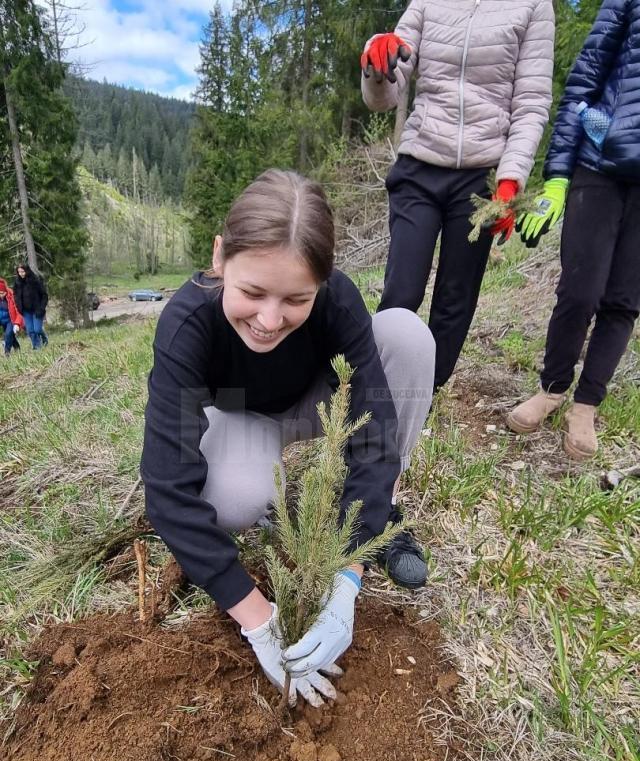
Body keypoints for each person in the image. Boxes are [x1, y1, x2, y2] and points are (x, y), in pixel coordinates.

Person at [141, 170, 436, 706]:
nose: (269, 320)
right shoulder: (188, 323)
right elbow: (167, 488)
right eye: (252, 292)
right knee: (232, 499)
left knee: (407, 337)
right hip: (243, 415)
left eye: (296, 299)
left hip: (320, 404)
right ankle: (271, 500)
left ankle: (381, 514)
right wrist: (257, 618)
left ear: (322, 283)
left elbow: (373, 430)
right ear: (219, 258)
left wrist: (347, 575)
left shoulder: (338, 302)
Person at [360, 0, 554, 391]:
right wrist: (375, 67)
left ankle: (422, 395)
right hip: (420, 163)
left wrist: (510, 180)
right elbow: (384, 99)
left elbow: (531, 103)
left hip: (481, 178)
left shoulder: (534, 6)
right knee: (402, 292)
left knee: (454, 299)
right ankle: (372, 391)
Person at [508, 0, 640, 460]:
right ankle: (553, 387)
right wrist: (558, 175)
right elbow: (584, 79)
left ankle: (585, 405)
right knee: (580, 289)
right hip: (600, 161)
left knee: (624, 298)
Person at [13, 263, 48, 350]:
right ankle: (37, 347)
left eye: (23, 271)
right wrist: (18, 306)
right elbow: (16, 296)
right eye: (19, 272)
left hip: (37, 309)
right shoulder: (17, 283)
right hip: (25, 311)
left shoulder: (35, 281)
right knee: (30, 331)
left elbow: (44, 295)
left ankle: (44, 338)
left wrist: (41, 307)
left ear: (27, 271)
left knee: (37, 330)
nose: (21, 274)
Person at [0, 278, 23, 356]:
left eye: (2, 293)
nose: (1, 295)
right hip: (2, 320)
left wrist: (17, 323)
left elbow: (18, 311)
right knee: (10, 336)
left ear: (5, 291)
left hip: (11, 319)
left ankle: (7, 352)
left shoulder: (12, 296)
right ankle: (17, 347)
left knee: (8, 334)